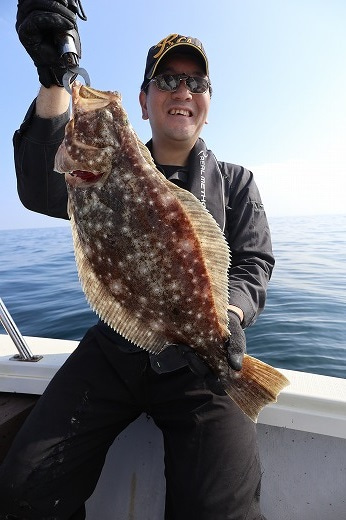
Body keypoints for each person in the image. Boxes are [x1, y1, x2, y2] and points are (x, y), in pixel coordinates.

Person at [0, 2, 274, 519]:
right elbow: (39, 187)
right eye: (167, 79)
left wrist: (231, 316)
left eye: (196, 83)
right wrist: (54, 77)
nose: (182, 91)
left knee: (219, 512)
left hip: (203, 359)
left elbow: (254, 263)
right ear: (145, 101)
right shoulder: (102, 172)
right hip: (116, 350)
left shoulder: (236, 184)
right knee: (23, 489)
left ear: (208, 103)